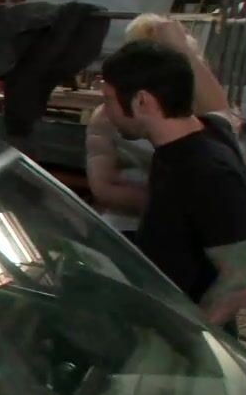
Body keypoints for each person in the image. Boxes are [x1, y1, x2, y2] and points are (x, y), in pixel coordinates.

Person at [99, 39, 246, 336]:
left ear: (142, 101)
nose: (106, 112)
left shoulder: (207, 171)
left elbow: (244, 281)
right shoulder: (206, 131)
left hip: (182, 343)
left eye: (108, 100)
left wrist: (189, 341)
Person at [86, 16, 235, 238]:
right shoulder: (108, 116)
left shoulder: (197, 117)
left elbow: (221, 112)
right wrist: (171, 206)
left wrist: (184, 50)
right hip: (127, 230)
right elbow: (103, 188)